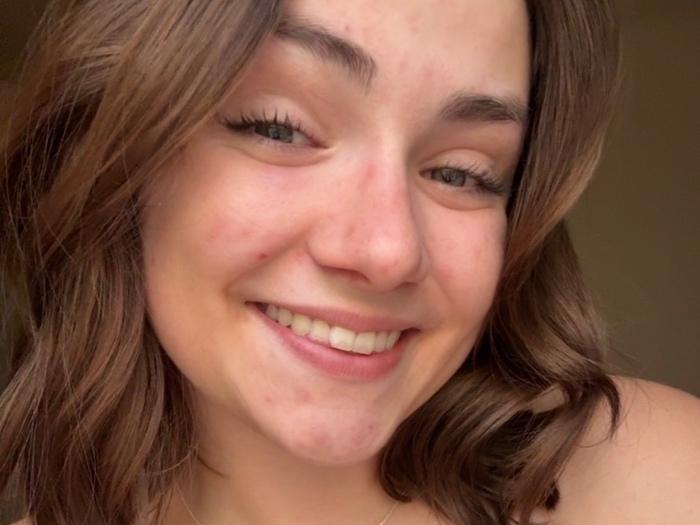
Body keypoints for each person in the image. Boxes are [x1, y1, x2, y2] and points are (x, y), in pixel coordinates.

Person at [1, 1, 698, 524]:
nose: (387, 251)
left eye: (460, 172)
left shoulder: (663, 485)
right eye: (279, 128)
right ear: (123, 160)